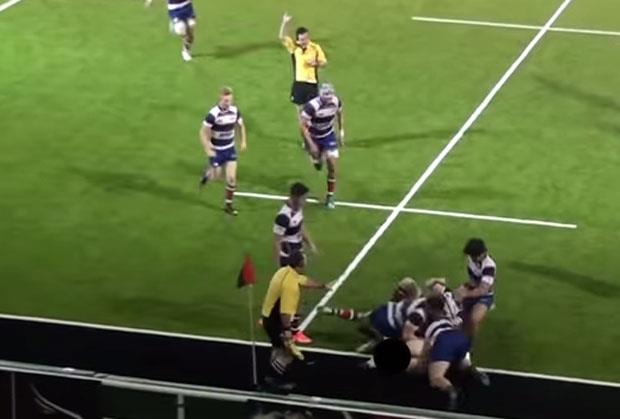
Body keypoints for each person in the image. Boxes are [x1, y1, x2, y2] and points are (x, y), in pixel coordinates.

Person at [260, 251, 329, 391]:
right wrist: (287, 332)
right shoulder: (290, 286)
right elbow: (285, 312)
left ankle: (273, 372)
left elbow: (303, 280)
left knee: (278, 348)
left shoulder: (284, 272)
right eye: (304, 261)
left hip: (268, 317)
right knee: (288, 353)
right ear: (300, 264)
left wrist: (322, 286)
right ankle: (272, 380)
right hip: (276, 322)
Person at [422, 295, 489, 410]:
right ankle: (476, 373)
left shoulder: (430, 325)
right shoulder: (449, 319)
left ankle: (452, 393)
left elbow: (427, 349)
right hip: (461, 337)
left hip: (444, 340)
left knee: (436, 378)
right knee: (462, 365)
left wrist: (427, 360)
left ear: (429, 309)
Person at [273, 182, 318, 345]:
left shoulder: (297, 209)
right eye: (304, 198)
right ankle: (293, 331)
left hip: (297, 251)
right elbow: (277, 241)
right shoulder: (283, 217)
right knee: (294, 292)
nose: (305, 201)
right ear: (295, 197)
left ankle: (271, 318)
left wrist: (310, 243)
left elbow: (301, 226)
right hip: (288, 256)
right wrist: (279, 264)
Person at [199, 87, 247, 216]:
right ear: (220, 98)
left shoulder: (235, 111)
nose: (228, 103)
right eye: (226, 101)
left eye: (230, 100)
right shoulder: (213, 114)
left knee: (231, 179)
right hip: (217, 151)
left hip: (229, 149)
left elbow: (241, 125)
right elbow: (203, 132)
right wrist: (207, 148)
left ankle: (228, 206)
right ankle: (207, 174)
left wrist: (243, 141)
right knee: (216, 177)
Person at [300, 83, 345, 208]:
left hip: (328, 135)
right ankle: (316, 159)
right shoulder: (311, 107)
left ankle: (330, 196)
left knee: (332, 166)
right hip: (314, 135)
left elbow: (340, 113)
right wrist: (311, 144)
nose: (328, 101)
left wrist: (341, 131)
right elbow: (302, 126)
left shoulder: (336, 102)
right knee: (318, 161)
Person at [278, 13, 327, 112]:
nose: (305, 41)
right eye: (302, 39)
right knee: (300, 111)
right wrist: (284, 22)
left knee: (313, 112)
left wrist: (316, 63)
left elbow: (324, 63)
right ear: (298, 40)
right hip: (299, 84)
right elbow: (282, 37)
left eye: (306, 38)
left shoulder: (315, 48)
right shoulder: (294, 47)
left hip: (312, 84)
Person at [455, 238, 497, 338]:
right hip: (473, 290)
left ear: (483, 254)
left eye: (473, 256)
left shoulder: (489, 266)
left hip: (485, 296)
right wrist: (464, 287)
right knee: (457, 315)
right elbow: (472, 280)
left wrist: (465, 294)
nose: (471, 258)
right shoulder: (471, 260)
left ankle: (469, 342)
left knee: (474, 320)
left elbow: (483, 290)